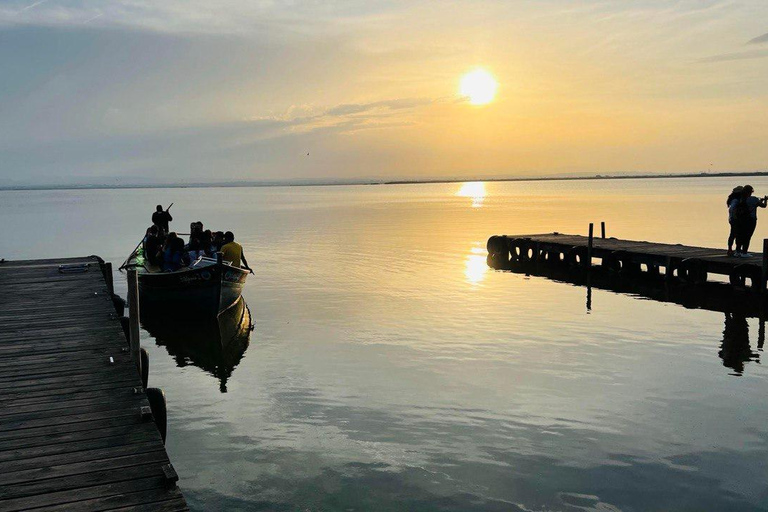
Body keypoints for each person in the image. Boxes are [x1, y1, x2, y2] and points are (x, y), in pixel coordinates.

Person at [733, 185, 768, 257]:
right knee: (748, 236)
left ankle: (737, 251)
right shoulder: (754, 199)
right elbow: (764, 206)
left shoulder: (740, 199)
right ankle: (744, 252)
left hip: (741, 219)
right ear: (751, 191)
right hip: (751, 220)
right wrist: (765, 200)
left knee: (740, 235)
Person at [726, 186, 743, 256]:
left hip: (732, 219)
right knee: (734, 234)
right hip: (734, 219)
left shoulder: (734, 199)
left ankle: (734, 249)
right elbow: (732, 209)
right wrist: (735, 217)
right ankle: (732, 249)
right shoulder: (736, 200)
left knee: (734, 234)